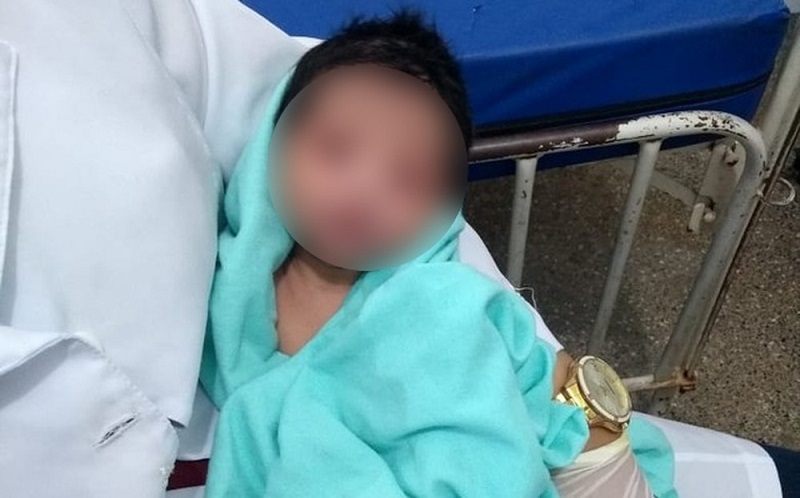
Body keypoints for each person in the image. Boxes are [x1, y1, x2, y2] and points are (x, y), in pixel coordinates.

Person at [198, 12, 675, 497]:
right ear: (272, 144)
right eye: (335, 148)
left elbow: (550, 384)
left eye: (408, 179)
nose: (363, 191)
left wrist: (601, 459)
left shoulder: (452, 304)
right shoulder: (208, 290)